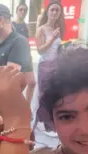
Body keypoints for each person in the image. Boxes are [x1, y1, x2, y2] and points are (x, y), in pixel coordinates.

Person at [33, 0, 65, 137]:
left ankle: (51, 123)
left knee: (55, 94)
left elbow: (57, 49)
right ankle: (42, 123)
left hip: (56, 65)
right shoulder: (41, 29)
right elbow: (40, 50)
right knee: (43, 94)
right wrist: (52, 39)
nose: (54, 13)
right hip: (45, 65)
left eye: (57, 10)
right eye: (52, 10)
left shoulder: (58, 28)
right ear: (47, 12)